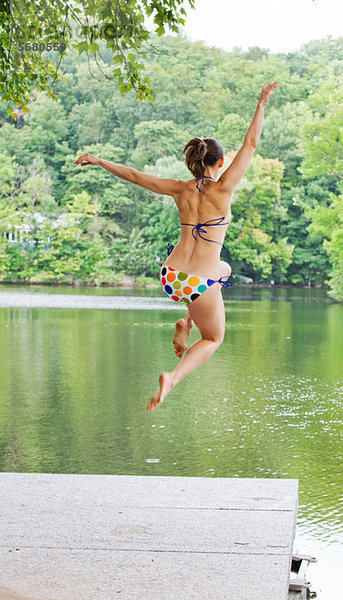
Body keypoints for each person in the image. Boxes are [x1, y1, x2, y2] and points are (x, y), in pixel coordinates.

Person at [74, 81, 278, 412]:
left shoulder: (180, 189)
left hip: (171, 276)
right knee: (214, 339)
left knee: (224, 269)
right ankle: (173, 378)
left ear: (194, 163)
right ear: (221, 161)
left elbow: (137, 176)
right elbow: (251, 143)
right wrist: (261, 103)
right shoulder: (224, 188)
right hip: (196, 283)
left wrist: (99, 160)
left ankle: (186, 321)